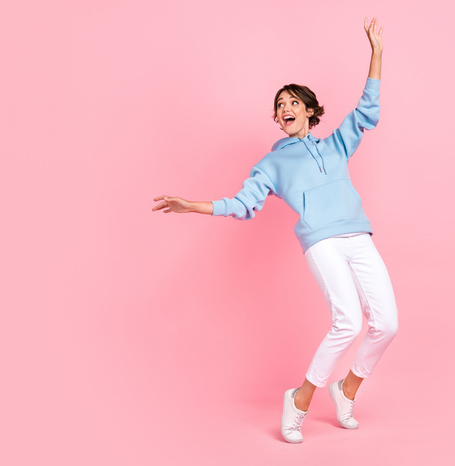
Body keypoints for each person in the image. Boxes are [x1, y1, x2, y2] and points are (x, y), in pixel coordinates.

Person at [152, 16, 397, 444]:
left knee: (387, 324)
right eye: (279, 105)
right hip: (321, 242)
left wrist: (376, 52)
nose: (285, 109)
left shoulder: (336, 145)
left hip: (358, 236)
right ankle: (300, 401)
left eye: (292, 103)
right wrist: (193, 205)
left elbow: (367, 111)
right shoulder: (271, 164)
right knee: (347, 321)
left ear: (309, 111)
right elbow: (243, 203)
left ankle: (346, 391)